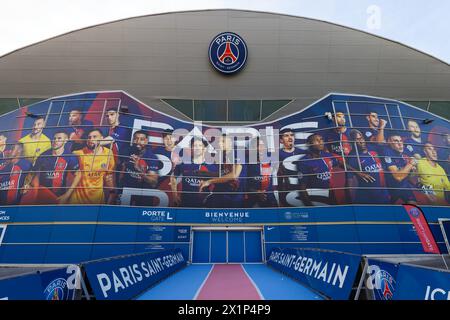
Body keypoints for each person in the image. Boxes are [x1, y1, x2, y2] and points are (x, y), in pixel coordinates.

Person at [21, 131, 80, 204]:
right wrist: (27, 184)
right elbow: (32, 172)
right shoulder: (44, 155)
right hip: (42, 195)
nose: (55, 141)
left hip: (59, 198)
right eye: (54, 138)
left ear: (65, 140)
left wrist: (66, 195)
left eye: (59, 138)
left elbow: (78, 174)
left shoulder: (70, 157)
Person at [68, 128, 116, 204]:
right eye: (89, 137)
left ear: (102, 138)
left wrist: (112, 194)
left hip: (97, 201)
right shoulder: (78, 154)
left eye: (94, 137)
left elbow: (109, 176)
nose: (91, 139)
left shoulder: (109, 153)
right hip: (77, 201)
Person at [171, 138, 218, 207]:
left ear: (204, 149)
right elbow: (173, 177)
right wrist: (174, 195)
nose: (197, 148)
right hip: (185, 204)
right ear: (191, 148)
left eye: (200, 145)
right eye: (195, 145)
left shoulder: (212, 166)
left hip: (205, 205)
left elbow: (219, 181)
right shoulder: (183, 162)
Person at [347, 129, 390, 204]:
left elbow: (381, 144)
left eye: (362, 138)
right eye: (357, 139)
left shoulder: (373, 148)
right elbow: (350, 180)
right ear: (352, 142)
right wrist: (358, 173)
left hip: (383, 194)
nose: (361, 141)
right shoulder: (353, 157)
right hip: (367, 197)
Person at [199, 135, 244, 208]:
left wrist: (209, 181)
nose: (219, 144)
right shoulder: (221, 156)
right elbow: (222, 174)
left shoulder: (237, 154)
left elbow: (234, 175)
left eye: (223, 141)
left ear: (231, 143)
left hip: (234, 197)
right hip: (220, 194)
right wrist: (204, 175)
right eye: (219, 142)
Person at [296, 134, 339, 206]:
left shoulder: (328, 155)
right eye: (317, 140)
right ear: (309, 144)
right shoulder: (304, 162)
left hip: (333, 196)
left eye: (321, 139)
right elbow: (302, 188)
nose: (320, 142)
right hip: (317, 198)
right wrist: (310, 206)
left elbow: (341, 165)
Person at [382, 134, 418, 204]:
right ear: (389, 142)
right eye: (396, 141)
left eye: (401, 141)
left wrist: (412, 170)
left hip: (405, 186)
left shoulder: (406, 150)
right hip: (391, 189)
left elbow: (412, 175)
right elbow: (398, 177)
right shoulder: (387, 151)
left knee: (414, 210)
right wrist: (410, 164)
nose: (400, 144)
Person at [277, 128, 305, 206]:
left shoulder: (303, 153)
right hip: (286, 189)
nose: (290, 137)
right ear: (281, 140)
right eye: (286, 136)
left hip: (301, 187)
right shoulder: (277, 154)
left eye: (292, 135)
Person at [246, 137, 278, 207]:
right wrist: (256, 192)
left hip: (270, 199)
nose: (260, 148)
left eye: (262, 145)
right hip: (252, 200)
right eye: (257, 145)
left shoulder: (271, 160)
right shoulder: (246, 163)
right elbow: (243, 183)